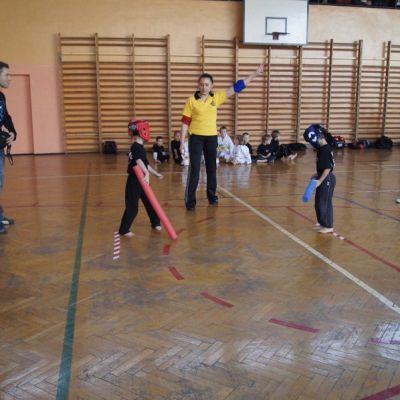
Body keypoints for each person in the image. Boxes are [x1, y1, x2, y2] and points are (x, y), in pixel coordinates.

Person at [180, 64, 264, 211]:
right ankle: (190, 201)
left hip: (211, 138)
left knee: (212, 168)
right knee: (194, 169)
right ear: (198, 85)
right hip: (196, 138)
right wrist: (182, 142)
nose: (204, 87)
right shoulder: (191, 100)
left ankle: (212, 196)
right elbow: (185, 122)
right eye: (201, 84)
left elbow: (237, 87)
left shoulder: (216, 97)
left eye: (207, 84)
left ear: (211, 86)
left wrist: (254, 74)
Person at [118, 119, 163, 237]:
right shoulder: (136, 146)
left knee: (150, 203)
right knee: (132, 207)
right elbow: (138, 161)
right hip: (134, 182)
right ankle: (124, 229)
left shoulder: (140, 147)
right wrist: (147, 174)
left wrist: (155, 173)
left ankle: (155, 223)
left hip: (142, 180)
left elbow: (145, 164)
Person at [303, 124, 336, 234]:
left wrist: (320, 180)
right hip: (322, 176)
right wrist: (317, 174)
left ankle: (328, 225)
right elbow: (324, 166)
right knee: (318, 203)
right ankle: (322, 223)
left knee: (324, 203)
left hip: (327, 179)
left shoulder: (325, 149)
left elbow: (328, 168)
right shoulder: (321, 149)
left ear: (319, 137)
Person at [0, 61, 17, 235]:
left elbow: (6, 117)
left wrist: (12, 132)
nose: (9, 78)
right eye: (6, 74)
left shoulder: (1, 97)